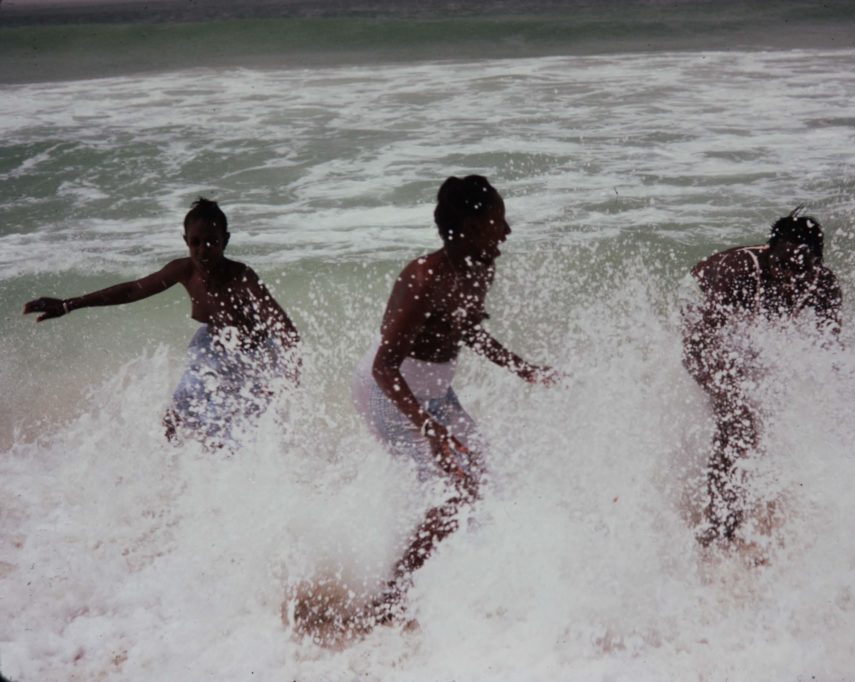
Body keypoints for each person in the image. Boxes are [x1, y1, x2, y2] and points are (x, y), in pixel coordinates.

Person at [345, 175, 557, 635]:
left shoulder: (480, 267)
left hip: (436, 391)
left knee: (482, 478)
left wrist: (523, 369)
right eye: (496, 221)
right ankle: (390, 599)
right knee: (454, 491)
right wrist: (430, 429)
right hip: (389, 392)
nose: (506, 231)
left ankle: (458, 586)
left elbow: (464, 328)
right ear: (467, 226)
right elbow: (385, 366)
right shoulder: (423, 278)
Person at [22, 198, 300, 447]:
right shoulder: (184, 270)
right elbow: (133, 290)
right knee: (174, 420)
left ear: (225, 240)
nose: (204, 250)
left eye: (212, 242)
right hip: (212, 347)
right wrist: (69, 304)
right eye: (196, 242)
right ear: (186, 241)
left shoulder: (242, 277)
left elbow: (284, 328)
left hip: (255, 356)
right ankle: (169, 482)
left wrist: (286, 376)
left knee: (233, 436)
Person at [682, 207, 841, 547]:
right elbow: (700, 343)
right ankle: (720, 525)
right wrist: (726, 395)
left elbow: (832, 352)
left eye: (801, 267)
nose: (790, 275)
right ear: (770, 253)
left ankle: (746, 505)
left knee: (762, 404)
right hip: (697, 311)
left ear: (817, 262)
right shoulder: (737, 273)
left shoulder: (823, 285)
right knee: (738, 421)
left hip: (741, 325)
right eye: (782, 263)